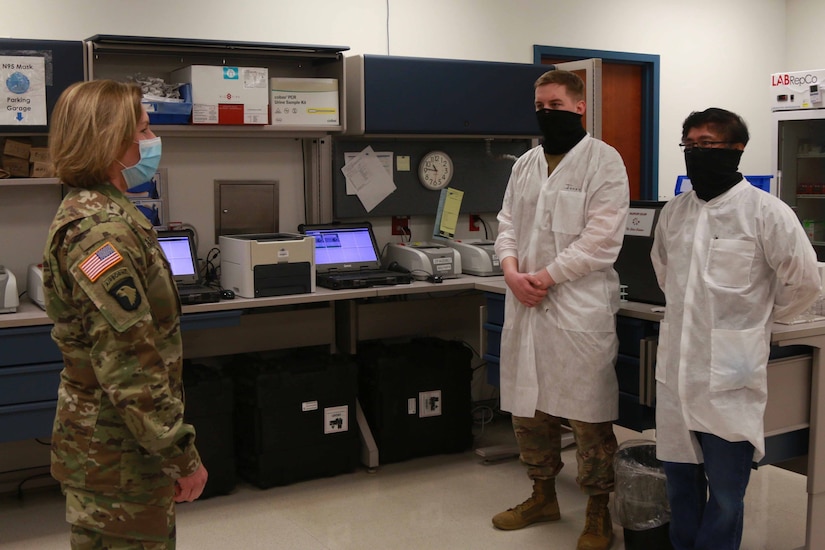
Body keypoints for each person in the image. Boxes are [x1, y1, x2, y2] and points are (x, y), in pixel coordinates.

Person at [43, 79, 208, 549]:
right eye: (143, 129)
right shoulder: (101, 232)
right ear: (113, 142)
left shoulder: (107, 213)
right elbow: (129, 363)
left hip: (122, 451)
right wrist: (182, 455)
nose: (150, 140)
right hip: (118, 459)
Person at [651, 107, 821, 550]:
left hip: (730, 379)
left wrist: (760, 319)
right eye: (689, 145)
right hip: (677, 376)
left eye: (707, 144)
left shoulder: (766, 213)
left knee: (727, 495)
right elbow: (664, 273)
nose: (695, 153)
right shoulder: (674, 212)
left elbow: (803, 282)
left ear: (737, 148)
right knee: (679, 488)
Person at [493, 69, 630, 550]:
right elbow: (506, 223)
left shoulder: (604, 162)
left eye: (555, 105)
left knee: (588, 416)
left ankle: (598, 513)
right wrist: (511, 271)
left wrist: (544, 278)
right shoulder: (525, 164)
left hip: (576, 308)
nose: (546, 113)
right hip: (526, 302)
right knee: (530, 410)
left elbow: (601, 240)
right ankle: (542, 495)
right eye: (540, 105)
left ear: (579, 107)